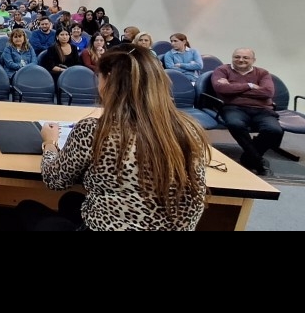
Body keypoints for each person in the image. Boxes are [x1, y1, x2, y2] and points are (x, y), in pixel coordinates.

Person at [17, 44, 210, 231]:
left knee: (27, 208)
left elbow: (55, 179)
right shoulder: (190, 129)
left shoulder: (96, 130)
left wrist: (49, 143)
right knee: (72, 200)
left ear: (108, 79)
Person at [211, 48, 282, 176]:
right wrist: (249, 85)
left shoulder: (262, 73)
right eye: (237, 57)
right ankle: (258, 160)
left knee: (274, 130)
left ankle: (248, 157)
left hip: (262, 110)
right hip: (234, 107)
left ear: (253, 60)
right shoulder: (222, 70)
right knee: (235, 124)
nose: (241, 60)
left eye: (245, 58)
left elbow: (267, 92)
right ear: (232, 58)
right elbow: (221, 89)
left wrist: (232, 88)